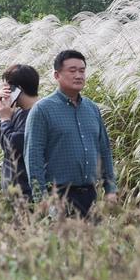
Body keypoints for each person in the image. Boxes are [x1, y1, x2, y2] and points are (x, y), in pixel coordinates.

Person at [24, 50, 117, 219]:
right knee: (64, 245)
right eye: (72, 71)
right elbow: (33, 158)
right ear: (57, 75)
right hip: (58, 197)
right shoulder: (42, 110)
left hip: (90, 196)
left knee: (93, 245)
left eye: (82, 70)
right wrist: (42, 200)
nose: (78, 75)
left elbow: (104, 150)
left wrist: (110, 189)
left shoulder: (92, 108)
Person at [0, 64, 40, 201]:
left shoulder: (36, 115)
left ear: (17, 90)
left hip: (28, 196)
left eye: (6, 88)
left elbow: (15, 147)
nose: (3, 92)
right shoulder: (17, 112)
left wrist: (5, 120)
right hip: (16, 196)